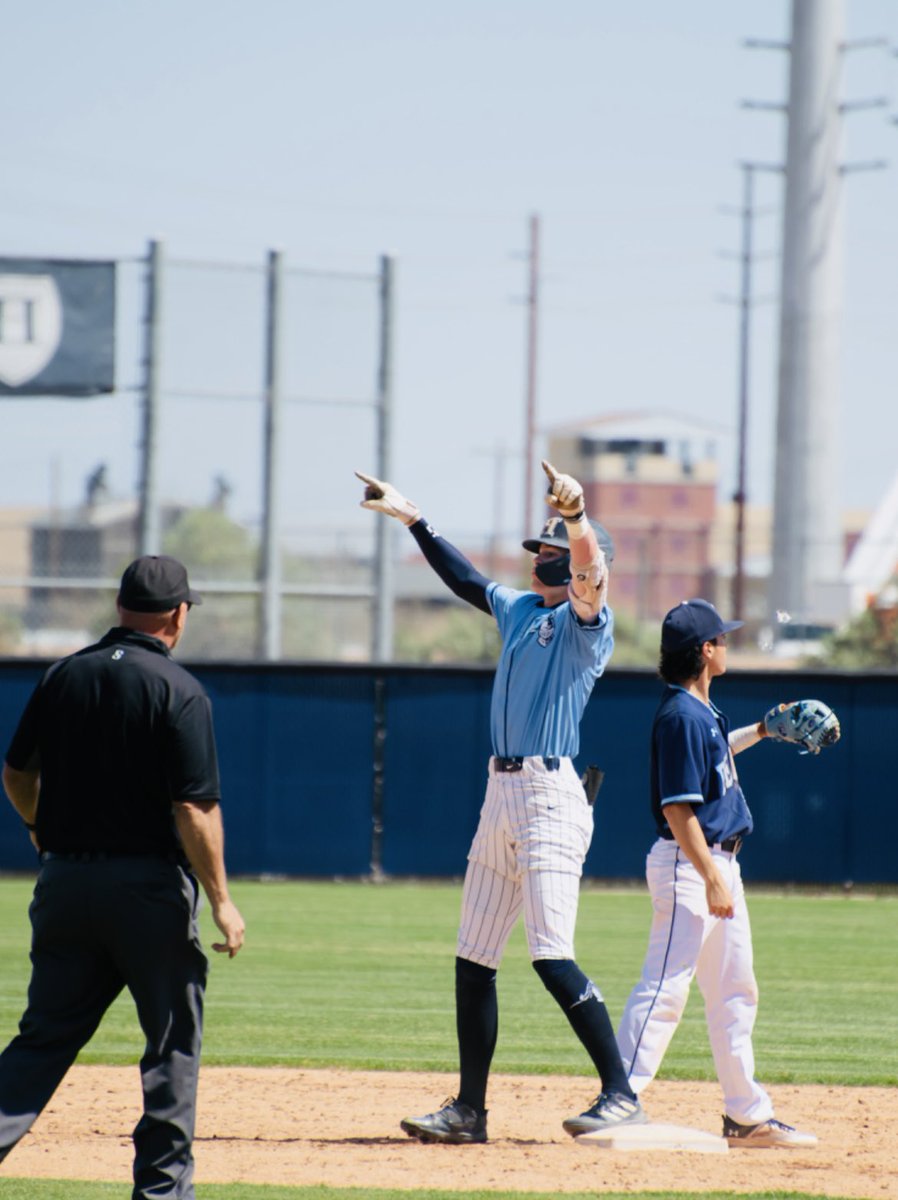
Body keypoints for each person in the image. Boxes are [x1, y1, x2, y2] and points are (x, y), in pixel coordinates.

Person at [357, 460, 646, 1143]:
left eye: (553, 550)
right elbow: (464, 578)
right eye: (542, 549)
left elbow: (590, 577)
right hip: (501, 794)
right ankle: (469, 1111)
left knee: (550, 954)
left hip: (551, 794)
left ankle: (620, 1091)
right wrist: (412, 517)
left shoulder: (587, 625)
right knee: (473, 957)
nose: (541, 558)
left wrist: (576, 519)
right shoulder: (518, 608)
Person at [0, 554, 246, 1198]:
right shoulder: (179, 689)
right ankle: (163, 1191)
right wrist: (221, 900)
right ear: (178, 614)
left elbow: (18, 775)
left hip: (64, 886)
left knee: (41, 1042)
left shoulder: (63, 676)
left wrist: (38, 828)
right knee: (170, 1046)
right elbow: (193, 807)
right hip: (147, 893)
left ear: (119, 608)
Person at [616, 598, 817, 1149]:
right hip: (693, 863)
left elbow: (713, 758)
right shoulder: (681, 713)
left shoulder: (698, 709)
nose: (727, 644)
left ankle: (745, 1114)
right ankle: (619, 1096)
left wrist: (764, 729)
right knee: (665, 986)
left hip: (715, 862)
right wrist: (709, 875)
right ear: (705, 651)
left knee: (733, 991)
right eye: (722, 639)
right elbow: (678, 808)